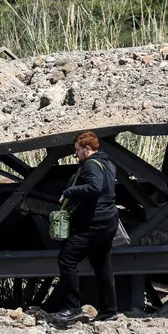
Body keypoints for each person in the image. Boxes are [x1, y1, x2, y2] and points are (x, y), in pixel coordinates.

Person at [45, 131, 119, 323]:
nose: (75, 154)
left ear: (87, 149)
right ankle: (109, 310)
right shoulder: (108, 164)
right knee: (102, 265)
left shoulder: (90, 165)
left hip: (93, 223)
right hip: (109, 221)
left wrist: (70, 191)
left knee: (67, 259)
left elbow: (94, 187)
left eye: (77, 150)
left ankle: (73, 308)